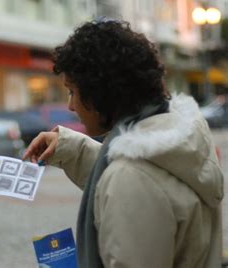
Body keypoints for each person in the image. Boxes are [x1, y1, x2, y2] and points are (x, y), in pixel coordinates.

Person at [24, 20, 223, 268]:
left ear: (100, 92)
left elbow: (133, 183)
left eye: (73, 91)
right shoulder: (180, 134)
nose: (70, 106)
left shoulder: (131, 178)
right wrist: (73, 148)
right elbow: (151, 179)